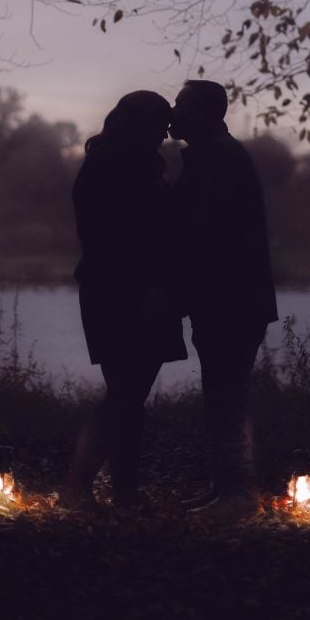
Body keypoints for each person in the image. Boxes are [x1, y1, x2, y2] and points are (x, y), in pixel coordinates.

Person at [67, 90, 187, 510]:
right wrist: (150, 288)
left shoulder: (112, 161)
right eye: (162, 121)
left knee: (127, 394)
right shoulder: (122, 166)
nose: (168, 130)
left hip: (119, 290)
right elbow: (122, 238)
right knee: (126, 394)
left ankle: (116, 492)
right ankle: (89, 488)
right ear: (143, 124)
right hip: (128, 293)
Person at [169, 80, 278, 517]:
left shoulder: (218, 161)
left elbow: (205, 237)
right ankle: (225, 487)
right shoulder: (213, 155)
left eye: (179, 106)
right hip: (230, 299)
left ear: (201, 113)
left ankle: (238, 496)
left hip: (231, 301)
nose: (172, 114)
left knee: (227, 396)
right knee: (221, 394)